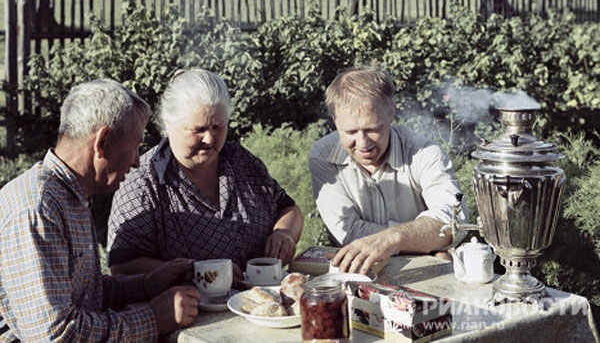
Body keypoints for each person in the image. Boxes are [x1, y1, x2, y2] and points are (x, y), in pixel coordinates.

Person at [0, 79, 201, 341]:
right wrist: (153, 318)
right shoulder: (38, 209)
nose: (138, 161)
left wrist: (148, 284)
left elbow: (86, 293)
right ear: (102, 141)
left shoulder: (70, 195)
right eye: (135, 145)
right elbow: (55, 335)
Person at [107, 68, 303, 280]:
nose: (209, 139)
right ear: (168, 124)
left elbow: (288, 209)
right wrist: (194, 271)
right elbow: (122, 265)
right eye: (198, 129)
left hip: (261, 303)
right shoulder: (143, 182)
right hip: (190, 309)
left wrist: (283, 234)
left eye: (218, 127)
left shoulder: (241, 162)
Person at [309, 67, 466, 274]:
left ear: (392, 111)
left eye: (373, 129)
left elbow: (454, 223)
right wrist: (424, 240)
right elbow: (347, 233)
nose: (363, 143)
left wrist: (393, 238)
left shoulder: (425, 153)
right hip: (360, 275)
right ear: (334, 118)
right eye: (350, 132)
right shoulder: (322, 156)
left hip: (423, 273)